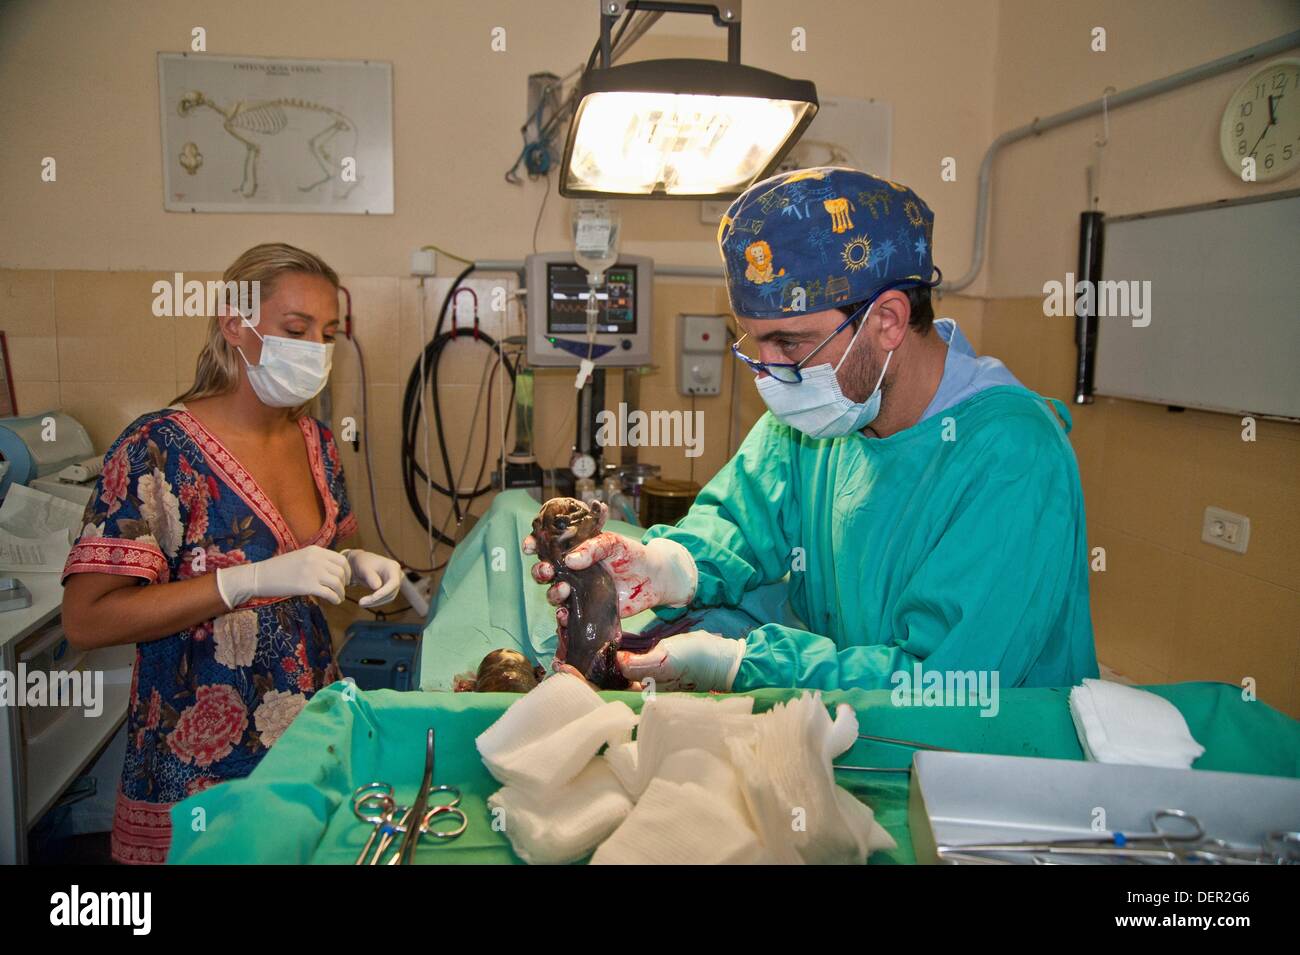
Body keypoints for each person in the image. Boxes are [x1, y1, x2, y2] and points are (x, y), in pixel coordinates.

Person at [525, 167, 1097, 693]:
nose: (773, 373)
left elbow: (946, 687)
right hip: (860, 731)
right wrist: (668, 565)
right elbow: (739, 522)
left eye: (791, 343)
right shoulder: (823, 415)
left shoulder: (1013, 459)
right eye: (757, 341)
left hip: (989, 770)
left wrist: (745, 663)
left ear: (888, 320)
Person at [60, 242, 401, 863]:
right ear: (234, 324)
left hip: (306, 731)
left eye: (327, 334)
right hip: (198, 749)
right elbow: (87, 620)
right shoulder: (158, 449)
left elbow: (310, 555)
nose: (315, 350)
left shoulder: (315, 442)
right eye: (296, 330)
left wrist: (352, 563)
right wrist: (238, 582)